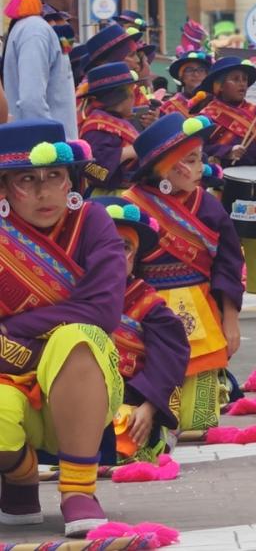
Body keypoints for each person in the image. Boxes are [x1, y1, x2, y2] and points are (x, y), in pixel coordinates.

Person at [0, 120, 124, 536]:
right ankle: (20, 478)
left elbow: (103, 311)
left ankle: (78, 489)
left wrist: (14, 327)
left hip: (85, 384)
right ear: (3, 187)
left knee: (77, 338)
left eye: (54, 176)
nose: (44, 191)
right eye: (27, 179)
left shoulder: (93, 223)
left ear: (71, 179)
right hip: (10, 377)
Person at [126, 114, 243, 433]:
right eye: (190, 160)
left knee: (196, 422)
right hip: (148, 309)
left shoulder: (208, 205)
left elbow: (229, 265)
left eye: (200, 158)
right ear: (165, 167)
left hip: (202, 306)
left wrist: (229, 319)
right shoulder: (132, 208)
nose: (199, 168)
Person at [96, 197, 188, 464]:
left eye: (124, 246)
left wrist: (150, 407)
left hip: (134, 398)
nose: (113, 254)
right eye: (103, 246)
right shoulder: (71, 297)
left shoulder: (150, 307)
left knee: (126, 429)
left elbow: (168, 363)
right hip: (80, 394)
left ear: (133, 257)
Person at [200, 57, 256, 318]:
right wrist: (226, 151)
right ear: (219, 85)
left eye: (244, 80)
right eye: (235, 79)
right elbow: (199, 151)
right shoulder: (206, 117)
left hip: (255, 183)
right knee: (226, 242)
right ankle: (223, 295)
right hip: (223, 182)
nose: (242, 84)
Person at [2, 0, 83, 134]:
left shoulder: (39, 26)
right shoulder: (36, 29)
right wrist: (50, 152)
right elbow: (32, 101)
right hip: (46, 155)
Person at [78, 63, 140, 194]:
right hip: (108, 199)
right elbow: (90, 169)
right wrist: (125, 153)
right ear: (122, 97)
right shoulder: (96, 128)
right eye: (132, 91)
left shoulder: (118, 120)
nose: (134, 97)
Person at [161, 51, 212, 118]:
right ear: (181, 76)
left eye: (201, 70)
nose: (196, 74)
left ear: (207, 74)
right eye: (189, 70)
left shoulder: (214, 103)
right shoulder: (170, 106)